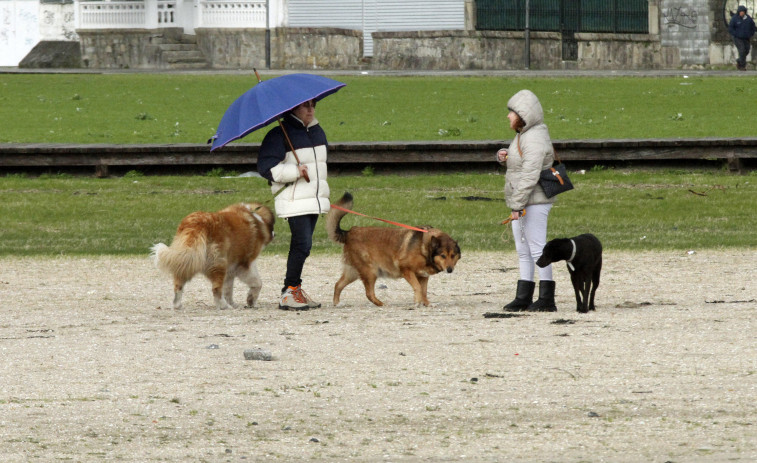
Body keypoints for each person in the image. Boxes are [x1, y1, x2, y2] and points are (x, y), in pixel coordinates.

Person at [257, 99, 330, 311]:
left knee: (304, 247)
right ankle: (289, 292)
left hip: (314, 198)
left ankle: (294, 289)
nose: (310, 109)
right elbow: (266, 169)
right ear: (293, 108)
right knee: (302, 244)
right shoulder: (278, 134)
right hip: (293, 199)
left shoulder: (318, 131)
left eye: (313, 105)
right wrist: (295, 172)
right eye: (305, 106)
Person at [496, 89, 557, 312]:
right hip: (524, 201)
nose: (508, 116)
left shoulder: (534, 137)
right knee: (523, 249)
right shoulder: (523, 134)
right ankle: (524, 296)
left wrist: (517, 205)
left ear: (523, 114)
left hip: (535, 201)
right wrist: (504, 156)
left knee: (538, 249)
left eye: (511, 112)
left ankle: (547, 299)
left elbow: (530, 174)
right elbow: (521, 164)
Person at [729, 5, 757, 71]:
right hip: (737, 38)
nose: (742, 13)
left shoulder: (748, 19)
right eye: (740, 12)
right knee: (742, 50)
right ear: (738, 12)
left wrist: (751, 33)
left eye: (743, 12)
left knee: (746, 50)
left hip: (746, 38)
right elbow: (730, 28)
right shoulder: (734, 18)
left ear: (745, 12)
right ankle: (742, 66)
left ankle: (739, 60)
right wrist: (735, 34)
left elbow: (753, 27)